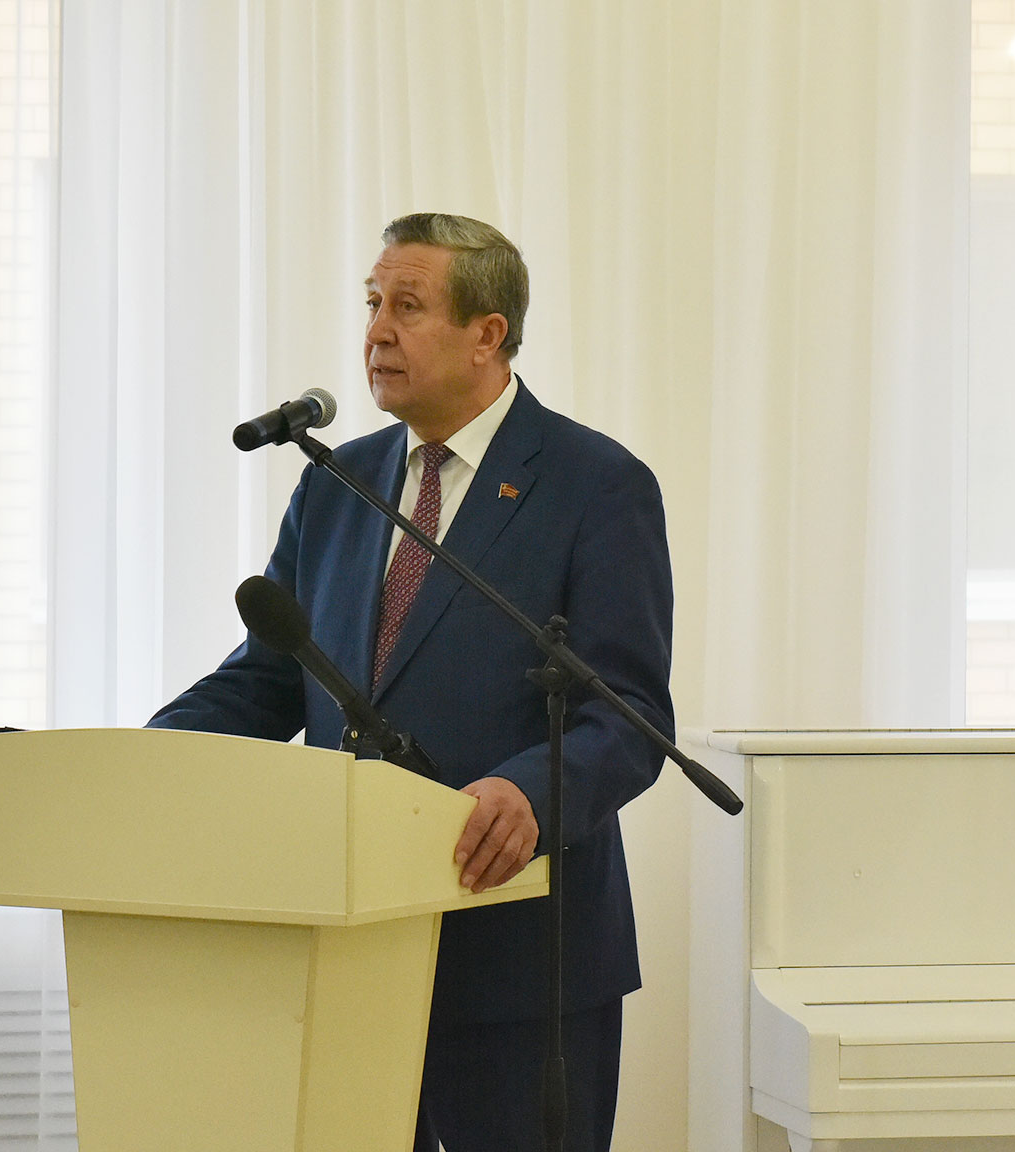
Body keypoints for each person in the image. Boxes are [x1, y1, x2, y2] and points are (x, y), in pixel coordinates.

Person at [148, 212, 674, 1152]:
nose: (377, 332)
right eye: (372, 304)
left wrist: (531, 791)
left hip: (519, 956)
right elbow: (269, 677)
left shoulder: (595, 484)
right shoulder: (337, 481)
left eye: (408, 306)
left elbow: (629, 714)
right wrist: (141, 759)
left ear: (487, 334)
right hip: (348, 943)